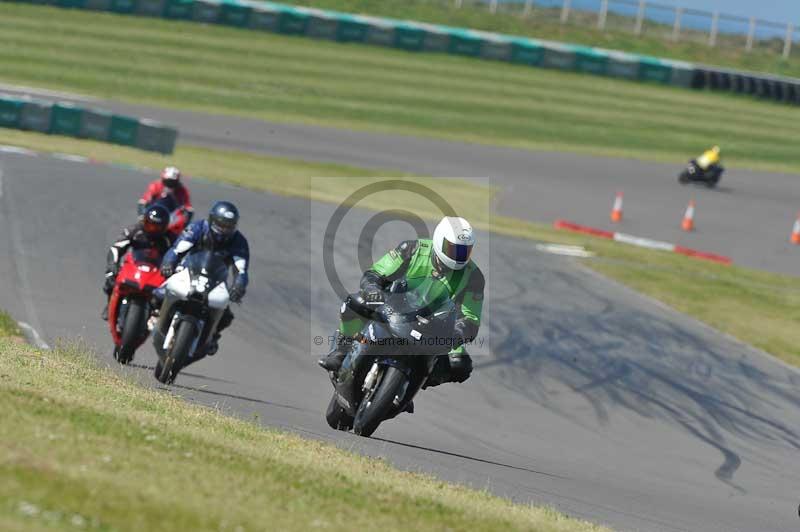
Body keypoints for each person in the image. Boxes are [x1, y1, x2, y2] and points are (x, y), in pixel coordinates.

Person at [318, 216, 484, 393]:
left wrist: (458, 332)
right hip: (393, 306)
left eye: (465, 252)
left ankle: (411, 383)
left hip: (436, 326)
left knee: (460, 365)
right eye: (453, 249)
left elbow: (471, 318)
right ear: (438, 240)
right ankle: (341, 352)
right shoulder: (412, 249)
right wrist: (373, 288)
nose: (459, 256)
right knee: (354, 303)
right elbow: (375, 273)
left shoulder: (474, 277)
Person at [159, 201, 249, 359]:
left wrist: (239, 286)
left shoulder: (239, 241)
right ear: (212, 220)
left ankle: (212, 335)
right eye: (222, 224)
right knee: (157, 293)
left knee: (226, 315)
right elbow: (177, 249)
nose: (225, 229)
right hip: (188, 271)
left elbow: (241, 269)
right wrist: (168, 262)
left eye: (229, 225)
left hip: (216, 279)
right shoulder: (197, 228)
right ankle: (153, 315)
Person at [101, 204, 172, 321]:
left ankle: (158, 315)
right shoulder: (134, 230)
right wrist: (112, 265)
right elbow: (116, 248)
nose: (153, 229)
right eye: (150, 225)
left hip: (157, 273)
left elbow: (179, 254)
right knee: (110, 280)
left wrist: (171, 268)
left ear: (164, 227)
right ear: (144, 221)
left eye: (157, 227)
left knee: (168, 294)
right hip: (134, 267)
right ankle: (110, 303)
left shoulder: (170, 238)